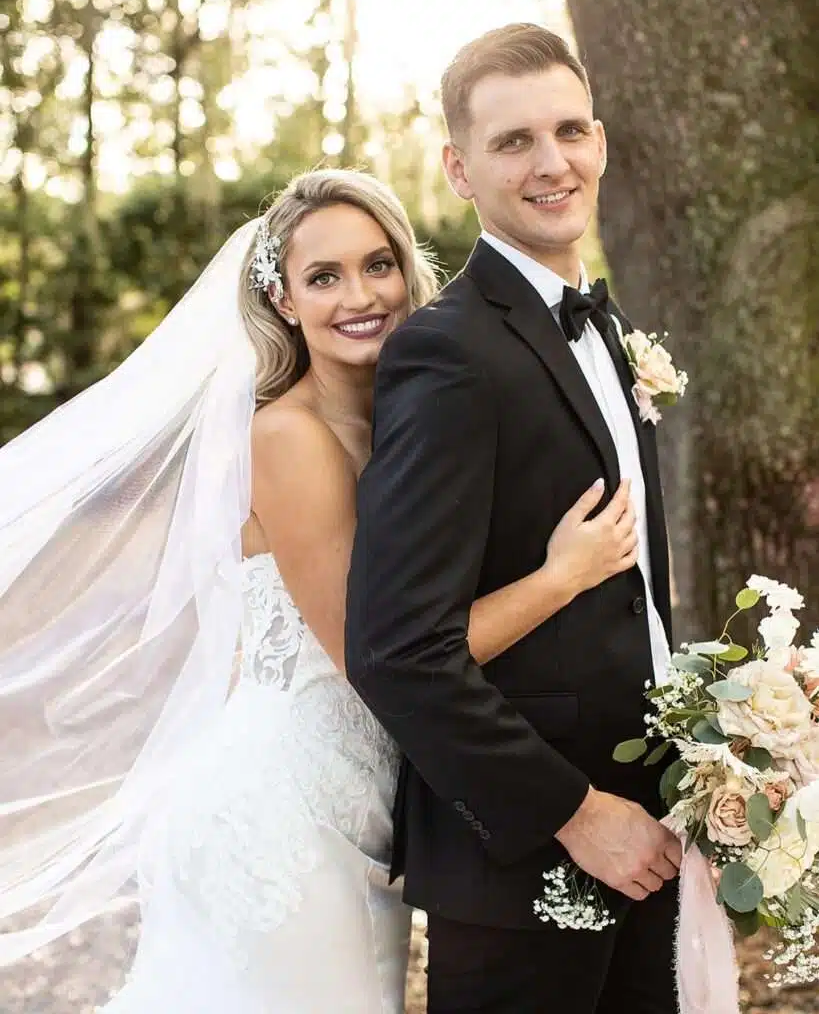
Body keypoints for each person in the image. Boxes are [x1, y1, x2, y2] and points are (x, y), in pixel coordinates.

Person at [0, 168, 638, 1012]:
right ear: (284, 301)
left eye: (377, 265)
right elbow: (372, 657)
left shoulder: (414, 416)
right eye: (323, 277)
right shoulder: (286, 436)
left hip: (364, 816)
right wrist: (561, 577)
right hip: (281, 818)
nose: (359, 295)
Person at [345, 25, 683, 1014]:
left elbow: (633, 605)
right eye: (513, 142)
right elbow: (400, 648)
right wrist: (575, 814)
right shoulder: (445, 355)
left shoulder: (606, 327)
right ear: (458, 168)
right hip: (527, 862)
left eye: (569, 131)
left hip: (654, 829)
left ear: (603, 143)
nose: (552, 163)